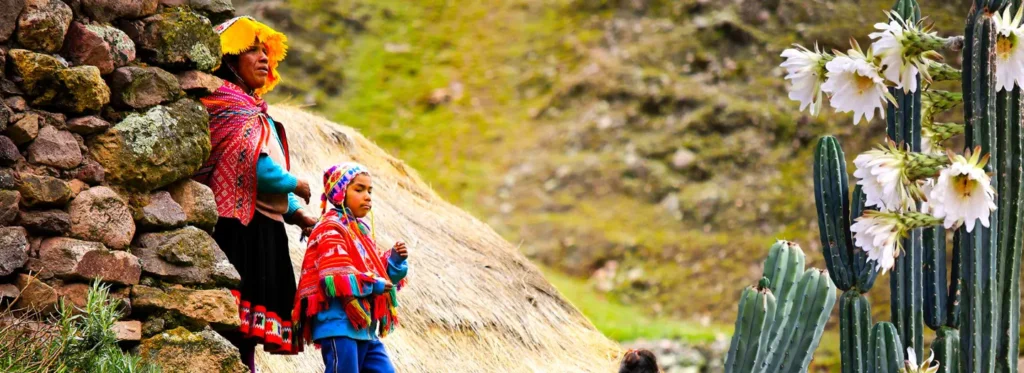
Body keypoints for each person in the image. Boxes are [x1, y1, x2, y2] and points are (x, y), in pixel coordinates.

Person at [193, 16, 318, 369]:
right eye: (252, 50)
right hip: (238, 232)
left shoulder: (254, 112)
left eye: (267, 52)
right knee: (233, 323)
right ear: (230, 61)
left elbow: (264, 169)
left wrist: (298, 213)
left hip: (263, 230)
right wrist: (296, 185)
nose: (264, 58)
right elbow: (259, 171)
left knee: (246, 331)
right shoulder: (224, 106)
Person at [294, 162, 410, 373]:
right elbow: (336, 274)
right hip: (338, 325)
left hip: (364, 327)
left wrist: (394, 262)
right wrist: (373, 284)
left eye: (369, 191)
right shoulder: (330, 228)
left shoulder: (360, 231)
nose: (367, 196)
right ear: (339, 193)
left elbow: (376, 273)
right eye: (359, 189)